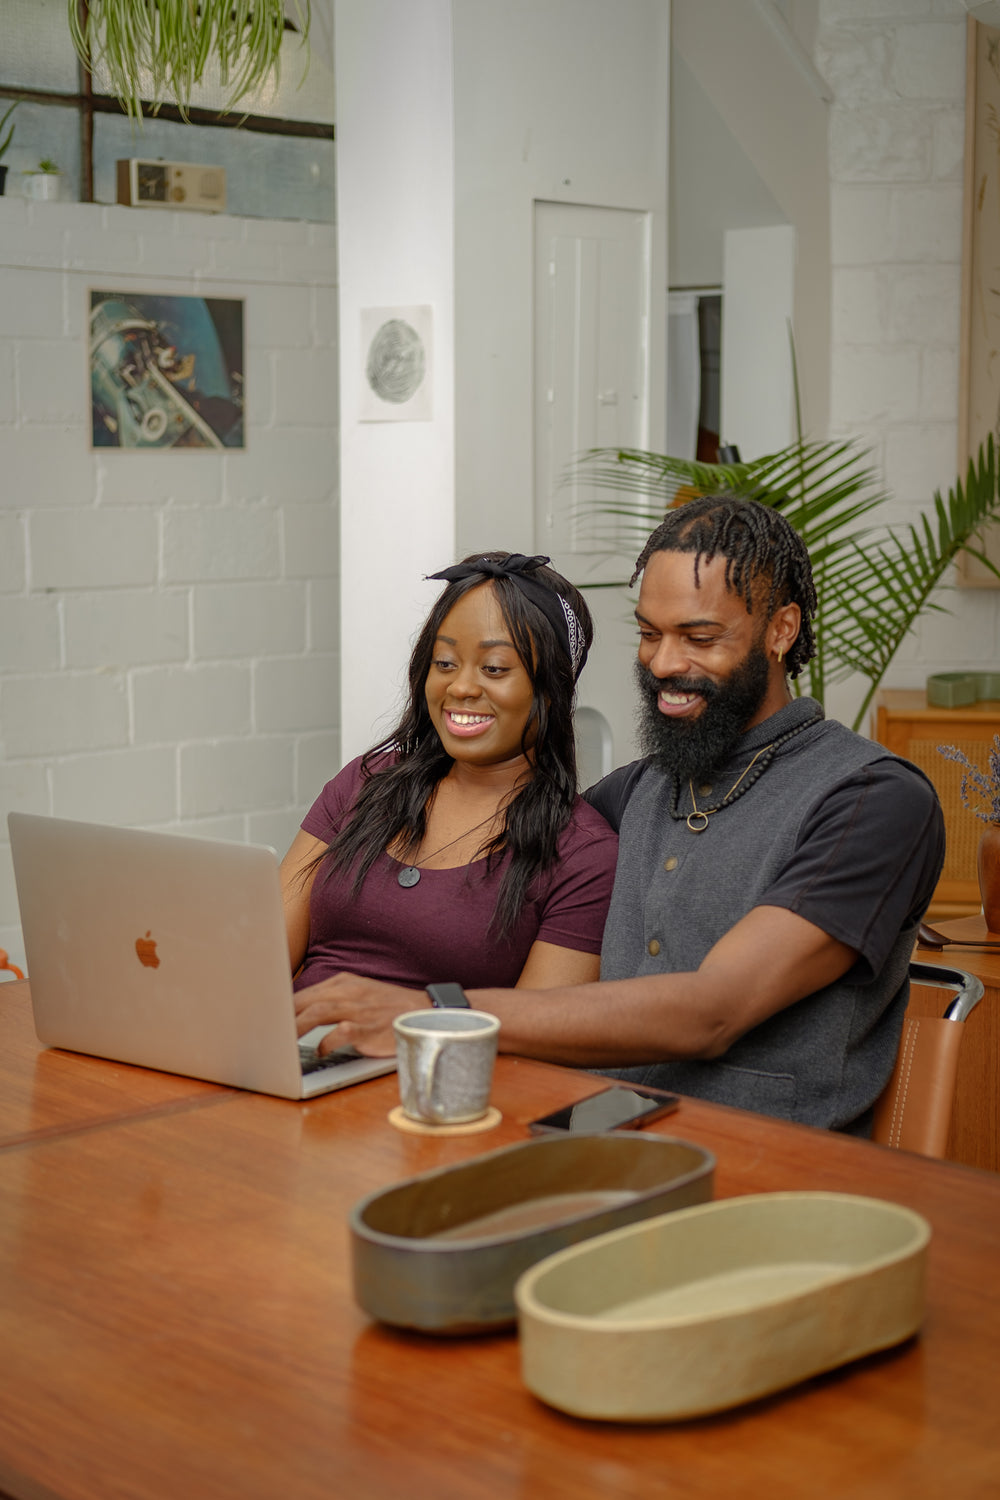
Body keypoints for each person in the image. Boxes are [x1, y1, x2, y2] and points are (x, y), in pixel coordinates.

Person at [294, 499, 945, 1135]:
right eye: (648, 633)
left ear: (782, 630)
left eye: (699, 637)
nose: (663, 663)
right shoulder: (632, 795)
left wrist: (433, 1013)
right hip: (596, 1140)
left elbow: (714, 1011)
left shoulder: (873, 799)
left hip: (768, 1163)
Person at [282, 551, 619, 1004]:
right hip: (298, 1056)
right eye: (444, 663)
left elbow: (539, 1038)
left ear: (553, 687)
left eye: (495, 668)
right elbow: (257, 960)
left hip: (439, 1068)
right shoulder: (367, 782)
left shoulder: (583, 855)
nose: (460, 687)